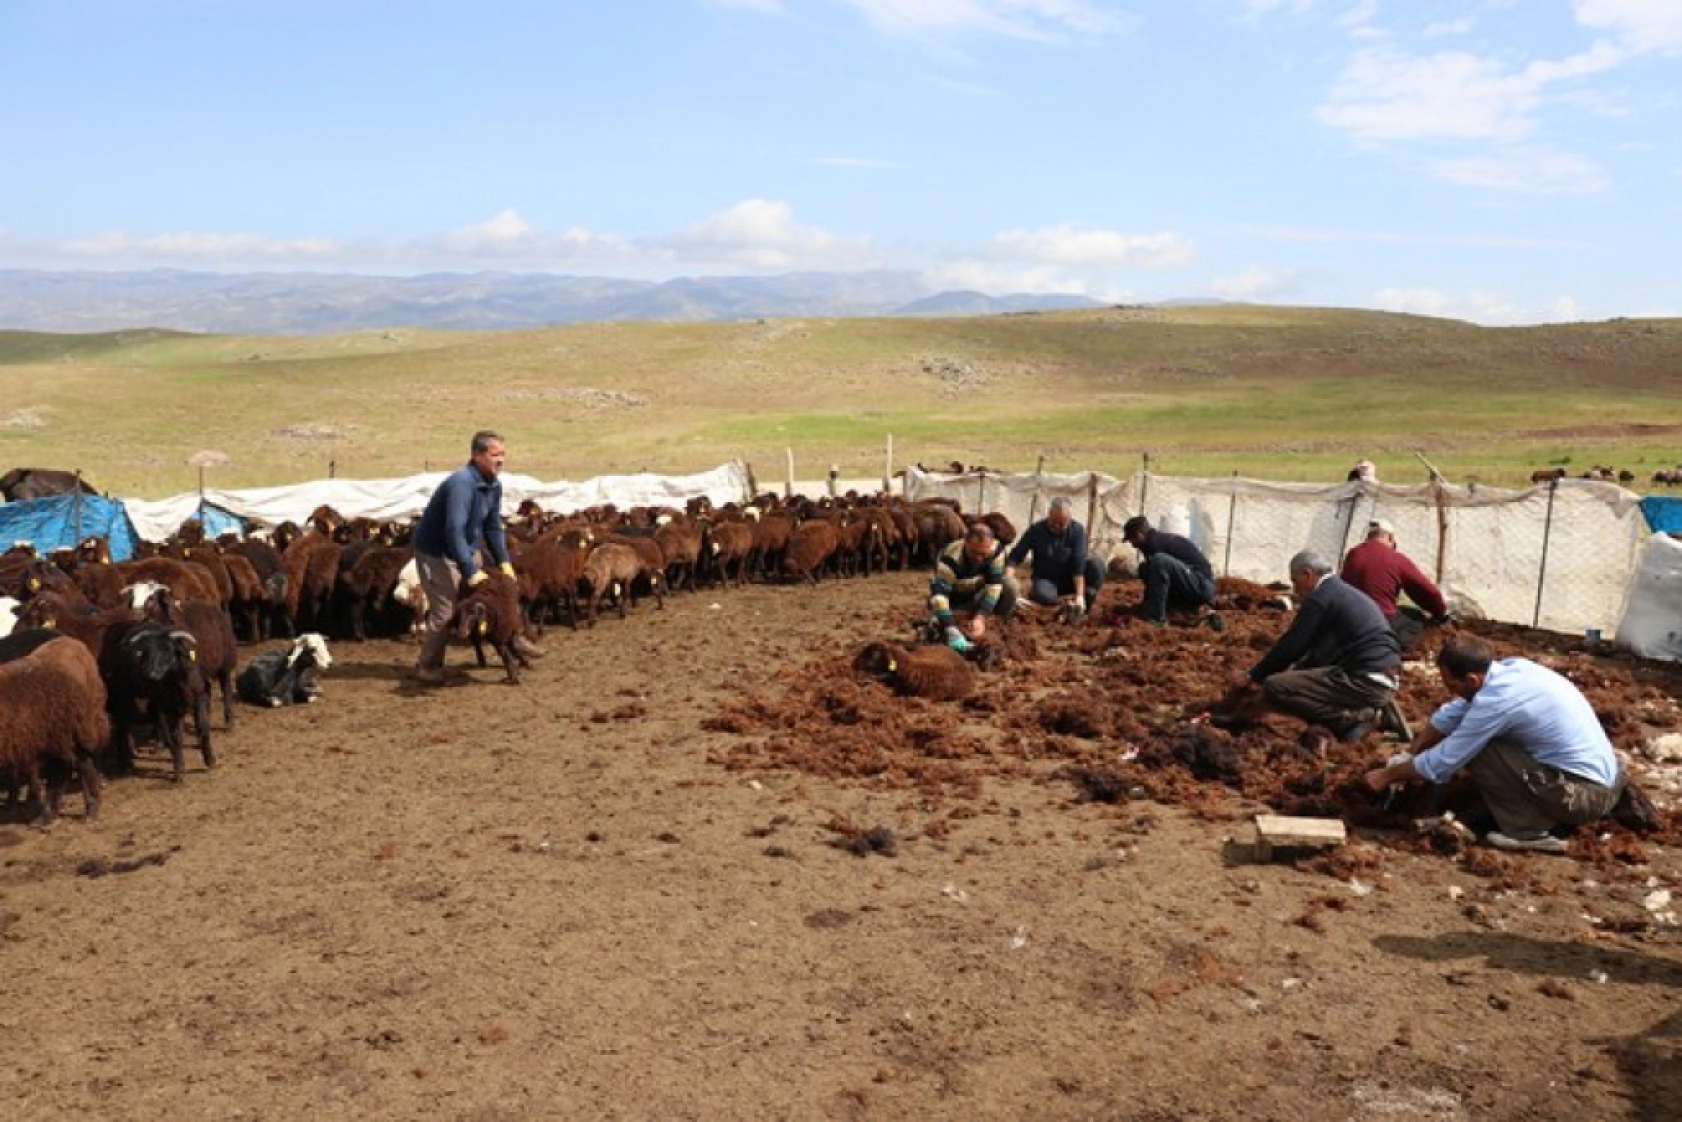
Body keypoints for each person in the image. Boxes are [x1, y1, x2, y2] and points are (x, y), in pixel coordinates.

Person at [1362, 635, 1626, 854]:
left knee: (1482, 749)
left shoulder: (1495, 702)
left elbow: (1444, 761)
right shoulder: (1512, 669)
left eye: (1450, 684)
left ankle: (1527, 831)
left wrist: (1386, 776)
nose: (1448, 690)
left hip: (1583, 797)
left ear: (1471, 680)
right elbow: (1453, 712)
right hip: (1609, 778)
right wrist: (1411, 751)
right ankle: (1534, 811)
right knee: (1483, 738)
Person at [1220, 549, 1401, 740]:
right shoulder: (1341, 592)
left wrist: (1254, 676)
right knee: (1295, 678)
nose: (1295, 590)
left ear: (1307, 574)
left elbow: (1292, 644)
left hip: (1365, 680)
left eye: (1295, 581)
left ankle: (1348, 719)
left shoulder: (1320, 597)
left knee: (1276, 685)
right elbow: (1317, 651)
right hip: (1385, 677)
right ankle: (1360, 710)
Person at [411, 430, 539, 684]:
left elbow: (492, 526)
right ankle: (427, 666)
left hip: (467, 547)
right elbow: (453, 530)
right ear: (477, 456)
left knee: (500, 592)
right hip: (437, 553)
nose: (501, 460)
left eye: (503, 454)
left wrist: (504, 562)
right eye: (495, 454)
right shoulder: (461, 484)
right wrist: (469, 570)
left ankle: (514, 637)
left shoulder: (493, 485)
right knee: (445, 610)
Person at [1341, 519, 1448, 650]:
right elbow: (1426, 591)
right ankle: (1398, 648)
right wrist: (1439, 612)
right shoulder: (1395, 558)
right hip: (1378, 623)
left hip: (1348, 621)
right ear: (1390, 537)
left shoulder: (1352, 554)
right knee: (1415, 617)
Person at [1007, 497, 1104, 617]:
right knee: (1043, 595)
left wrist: (1079, 595)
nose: (1057, 526)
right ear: (1049, 515)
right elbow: (1015, 557)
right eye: (1053, 522)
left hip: (1071, 579)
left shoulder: (1077, 531)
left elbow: (1078, 565)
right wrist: (1009, 588)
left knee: (1097, 565)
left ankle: (1084, 601)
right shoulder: (1036, 530)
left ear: (1069, 519)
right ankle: (1062, 603)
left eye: (1062, 524)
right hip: (1047, 580)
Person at [928, 522, 1018, 651]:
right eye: (974, 552)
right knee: (937, 623)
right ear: (966, 542)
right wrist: (950, 627)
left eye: (983, 554)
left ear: (991, 544)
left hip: (977, 595)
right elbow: (940, 596)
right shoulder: (950, 557)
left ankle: (998, 623)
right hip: (954, 600)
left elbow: (994, 586)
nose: (979, 558)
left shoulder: (996, 550)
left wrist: (981, 617)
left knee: (1010, 585)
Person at [1122, 515, 1215, 624]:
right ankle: (1174, 608)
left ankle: (1156, 618)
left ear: (1139, 535)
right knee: (1145, 568)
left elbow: (1159, 576)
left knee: (1159, 561)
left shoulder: (1156, 544)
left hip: (1201, 585)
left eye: (1131, 540)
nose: (1132, 545)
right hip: (1190, 583)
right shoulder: (1151, 544)